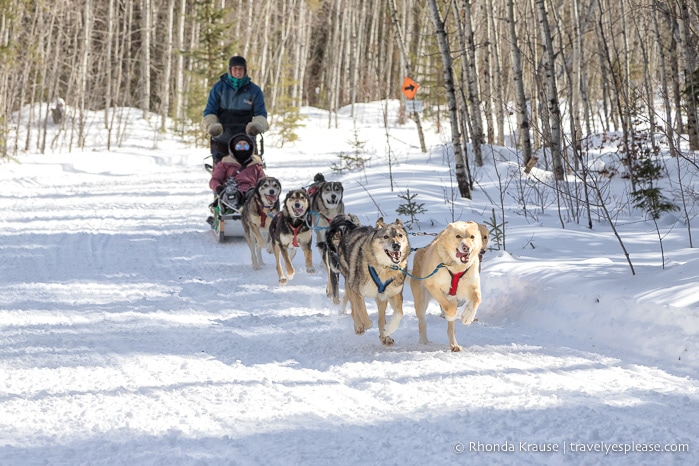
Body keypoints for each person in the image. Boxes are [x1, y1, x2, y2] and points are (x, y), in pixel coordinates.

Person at [202, 55, 269, 164]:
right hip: (222, 138)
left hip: (246, 140)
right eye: (235, 69)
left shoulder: (254, 90)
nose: (238, 72)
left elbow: (261, 113)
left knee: (254, 168)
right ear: (230, 70)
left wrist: (257, 125)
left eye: (240, 69)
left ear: (245, 70)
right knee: (220, 171)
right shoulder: (218, 88)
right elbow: (210, 111)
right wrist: (211, 125)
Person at [209, 133, 265, 214]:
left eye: (245, 146)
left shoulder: (256, 164)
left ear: (250, 147)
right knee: (231, 195)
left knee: (254, 196)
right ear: (233, 147)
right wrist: (218, 187)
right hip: (231, 189)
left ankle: (252, 213)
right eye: (239, 146)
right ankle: (231, 211)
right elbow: (214, 180)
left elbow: (262, 181)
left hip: (251, 190)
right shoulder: (225, 163)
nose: (242, 148)